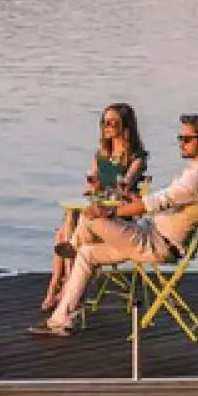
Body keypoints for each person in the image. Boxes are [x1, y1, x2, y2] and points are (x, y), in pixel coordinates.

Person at [31, 113, 198, 336]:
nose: (181, 143)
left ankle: (70, 251)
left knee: (90, 217)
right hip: (152, 233)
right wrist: (132, 202)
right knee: (88, 253)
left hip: (157, 243)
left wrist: (112, 210)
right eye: (180, 138)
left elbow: (155, 202)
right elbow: (166, 204)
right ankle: (61, 321)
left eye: (187, 139)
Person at [41, 104, 149, 311]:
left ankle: (64, 290)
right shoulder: (101, 154)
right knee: (63, 232)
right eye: (104, 123)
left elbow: (123, 188)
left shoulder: (136, 158)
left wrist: (110, 191)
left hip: (117, 218)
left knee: (66, 233)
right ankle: (58, 286)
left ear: (125, 126)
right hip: (96, 213)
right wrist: (93, 188)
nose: (106, 127)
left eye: (112, 123)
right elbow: (91, 188)